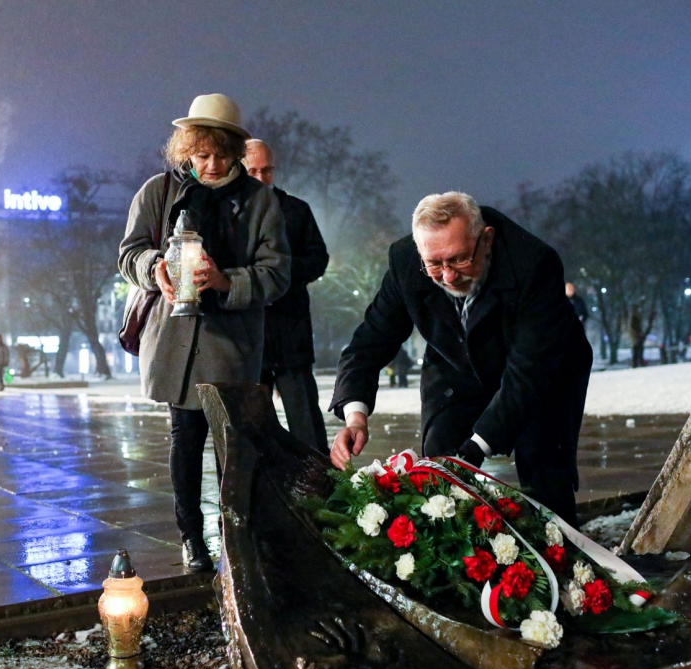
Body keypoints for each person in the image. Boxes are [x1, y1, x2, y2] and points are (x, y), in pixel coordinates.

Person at [329, 192, 592, 526]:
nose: (449, 276)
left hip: (544, 367)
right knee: (440, 466)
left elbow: (528, 373)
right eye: (434, 264)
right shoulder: (405, 261)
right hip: (456, 363)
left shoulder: (534, 263)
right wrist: (355, 418)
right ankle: (459, 551)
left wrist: (475, 448)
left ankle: (562, 547)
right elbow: (368, 343)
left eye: (459, 260)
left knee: (543, 465)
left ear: (486, 239)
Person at [118, 93, 290, 572]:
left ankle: (235, 536)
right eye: (201, 154)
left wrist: (225, 281)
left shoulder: (259, 201)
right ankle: (191, 537)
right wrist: (154, 267)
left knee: (233, 448)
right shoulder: (158, 191)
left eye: (220, 155)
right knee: (185, 438)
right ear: (186, 149)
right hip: (174, 339)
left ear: (236, 152)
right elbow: (129, 253)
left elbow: (277, 274)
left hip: (231, 343)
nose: (211, 165)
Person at [243, 140, 330, 453]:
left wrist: (279, 273)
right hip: (249, 333)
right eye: (253, 171)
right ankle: (258, 481)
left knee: (306, 421)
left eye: (267, 170)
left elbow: (318, 259)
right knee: (252, 428)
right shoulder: (228, 212)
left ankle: (320, 477)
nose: (261, 177)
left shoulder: (297, 210)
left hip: (290, 330)